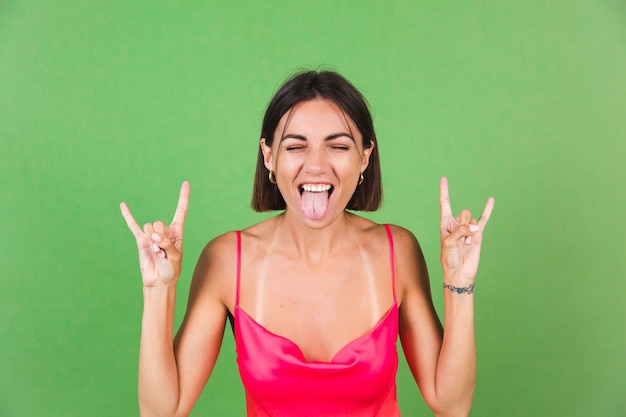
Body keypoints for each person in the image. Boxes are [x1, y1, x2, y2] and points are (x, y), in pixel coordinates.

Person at [120, 70, 495, 417]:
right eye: (296, 146)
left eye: (339, 146)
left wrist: (459, 282)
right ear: (269, 156)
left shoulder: (398, 252)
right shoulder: (226, 260)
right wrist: (158, 289)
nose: (316, 166)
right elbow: (162, 412)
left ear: (365, 157)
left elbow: (451, 403)